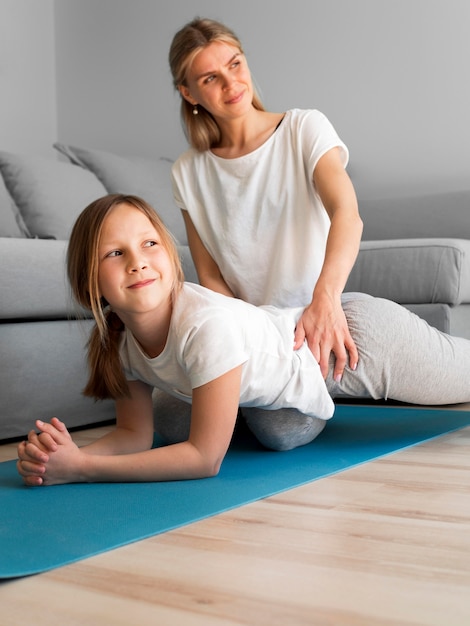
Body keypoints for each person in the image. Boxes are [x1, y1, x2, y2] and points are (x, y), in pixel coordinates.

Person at [16, 194, 470, 487]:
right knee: (176, 424)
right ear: (90, 282)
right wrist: (62, 457)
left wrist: (83, 469)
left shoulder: (204, 325)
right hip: (286, 362)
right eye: (115, 253)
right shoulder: (116, 340)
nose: (138, 262)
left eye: (150, 244)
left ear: (172, 258)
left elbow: (203, 459)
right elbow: (134, 435)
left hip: (357, 340)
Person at [169, 17, 364, 384]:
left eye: (235, 64)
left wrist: (325, 299)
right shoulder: (187, 171)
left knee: (279, 431)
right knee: (171, 413)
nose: (231, 84)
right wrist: (251, 338)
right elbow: (210, 275)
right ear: (189, 93)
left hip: (315, 317)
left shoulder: (304, 128)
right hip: (252, 335)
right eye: (211, 78)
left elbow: (347, 215)